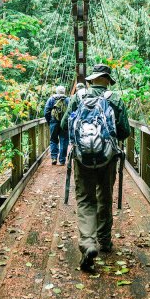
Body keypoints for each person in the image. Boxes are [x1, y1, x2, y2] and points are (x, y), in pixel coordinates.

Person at [61, 64, 130, 272]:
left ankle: (88, 244)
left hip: (82, 158)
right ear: (108, 80)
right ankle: (105, 241)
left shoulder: (78, 97)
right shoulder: (115, 99)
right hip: (108, 158)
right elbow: (124, 131)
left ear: (91, 80)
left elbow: (64, 126)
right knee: (105, 196)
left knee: (85, 199)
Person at [44, 85, 69, 165]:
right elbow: (71, 112)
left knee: (53, 140)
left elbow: (46, 112)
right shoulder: (68, 99)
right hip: (64, 124)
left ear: (56, 91)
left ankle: (54, 158)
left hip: (53, 122)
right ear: (64, 91)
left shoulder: (51, 99)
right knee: (64, 140)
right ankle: (62, 160)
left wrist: (49, 121)